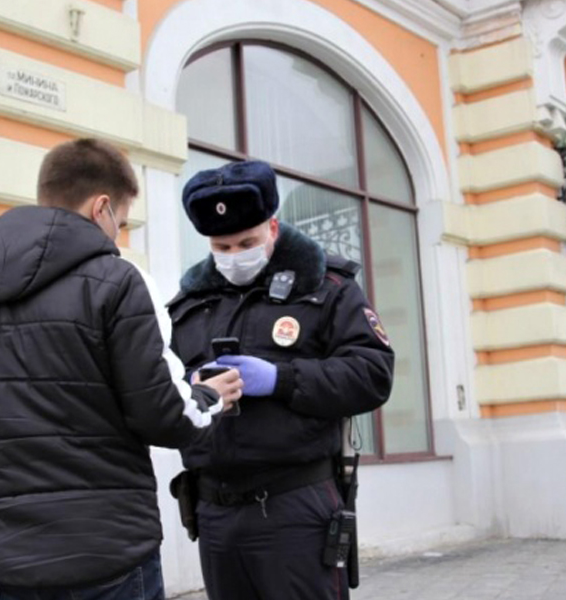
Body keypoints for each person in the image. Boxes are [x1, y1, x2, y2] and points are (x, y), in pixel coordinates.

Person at [0, 138, 243, 600]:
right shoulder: (119, 283)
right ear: (102, 207)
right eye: (123, 222)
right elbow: (163, 415)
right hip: (109, 554)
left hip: (5, 559)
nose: (118, 235)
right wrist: (210, 397)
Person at [167, 160, 395, 600]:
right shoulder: (190, 302)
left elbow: (373, 373)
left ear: (272, 228)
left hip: (294, 507)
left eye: (247, 242)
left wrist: (281, 378)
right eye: (222, 246)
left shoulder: (327, 287)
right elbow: (164, 388)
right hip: (214, 511)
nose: (234, 255)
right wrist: (188, 387)